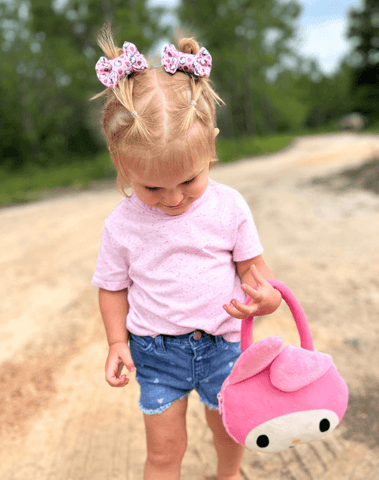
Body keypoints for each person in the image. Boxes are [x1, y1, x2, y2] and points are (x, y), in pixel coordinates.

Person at [91, 24, 282, 480]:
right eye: (153, 186)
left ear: (210, 146)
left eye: (189, 182)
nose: (174, 199)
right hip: (157, 354)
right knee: (163, 453)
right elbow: (112, 288)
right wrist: (118, 341)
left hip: (225, 346)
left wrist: (268, 297)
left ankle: (228, 475)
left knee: (230, 432)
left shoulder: (229, 205)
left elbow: (252, 269)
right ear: (122, 163)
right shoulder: (122, 225)